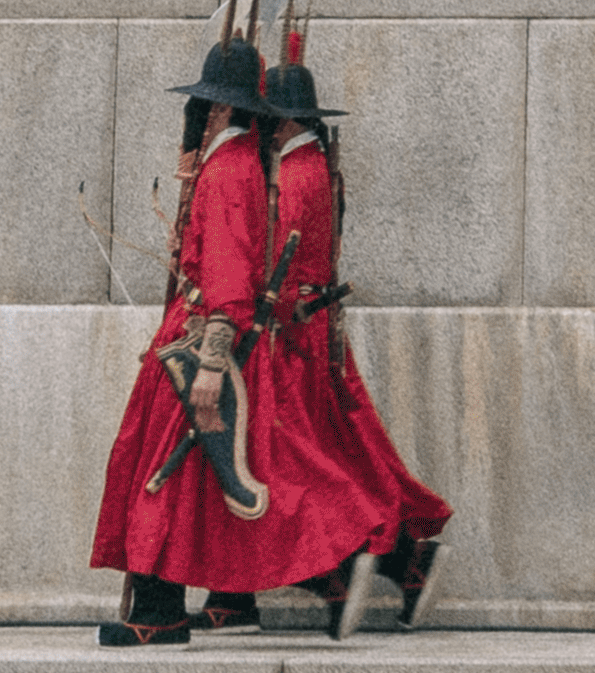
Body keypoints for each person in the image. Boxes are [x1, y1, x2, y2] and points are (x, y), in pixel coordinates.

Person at [92, 35, 334, 645]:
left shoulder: (228, 169)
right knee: (181, 477)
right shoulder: (233, 164)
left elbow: (229, 273)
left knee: (162, 474)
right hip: (193, 336)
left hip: (198, 342)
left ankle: (155, 610)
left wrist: (209, 363)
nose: (195, 116)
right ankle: (173, 601)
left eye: (203, 106)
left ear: (219, 110)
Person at [254, 43, 452, 631]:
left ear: (283, 120)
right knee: (340, 456)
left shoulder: (296, 175)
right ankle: (397, 562)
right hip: (316, 332)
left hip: (296, 337)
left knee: (303, 465)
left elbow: (278, 267)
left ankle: (370, 562)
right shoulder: (315, 165)